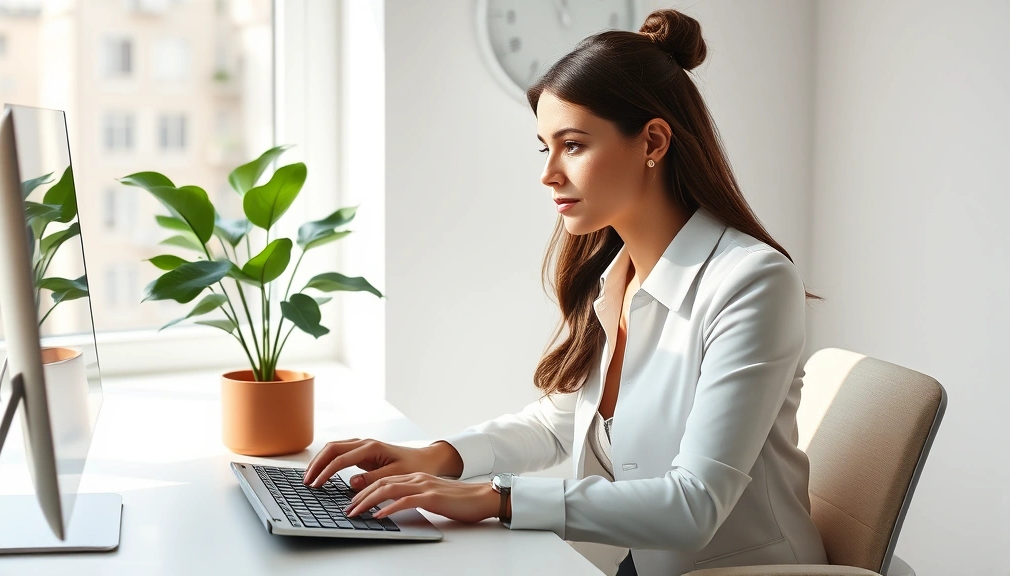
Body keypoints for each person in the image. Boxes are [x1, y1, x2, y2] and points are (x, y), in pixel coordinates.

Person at [303, 8, 829, 576]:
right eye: (543, 147)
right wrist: (441, 458)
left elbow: (694, 504)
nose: (548, 173)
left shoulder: (751, 281)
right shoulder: (620, 275)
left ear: (653, 140)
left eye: (573, 145)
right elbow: (567, 419)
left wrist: (497, 500)